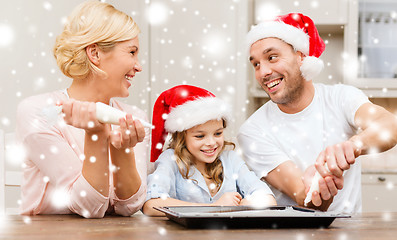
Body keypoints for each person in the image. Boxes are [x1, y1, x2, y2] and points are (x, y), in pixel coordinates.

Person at [238, 13, 397, 213]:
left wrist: (352, 146)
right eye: (256, 64)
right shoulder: (252, 132)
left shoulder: (341, 97)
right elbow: (303, 197)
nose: (263, 72)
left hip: (349, 230)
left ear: (301, 57)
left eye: (272, 57)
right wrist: (320, 189)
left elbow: (389, 125)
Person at [16, 1, 149, 218]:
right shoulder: (39, 112)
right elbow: (89, 207)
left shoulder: (135, 118)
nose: (138, 65)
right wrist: (96, 135)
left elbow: (129, 207)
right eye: (132, 52)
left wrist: (122, 150)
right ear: (95, 53)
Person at [143, 85, 276, 216]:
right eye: (200, 136)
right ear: (181, 137)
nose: (211, 143)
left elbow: (268, 199)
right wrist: (214, 207)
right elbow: (151, 205)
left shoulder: (230, 159)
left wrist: (244, 204)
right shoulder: (170, 159)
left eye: (218, 133)